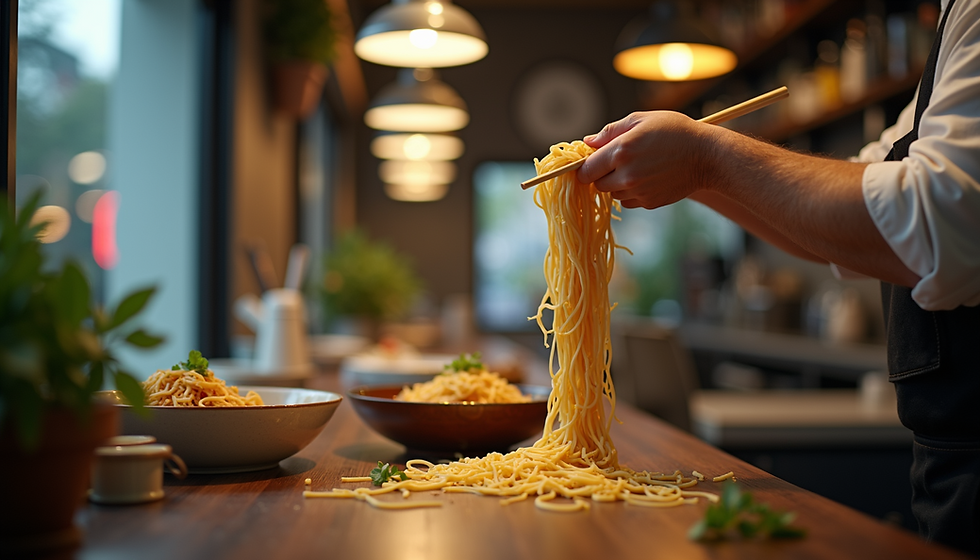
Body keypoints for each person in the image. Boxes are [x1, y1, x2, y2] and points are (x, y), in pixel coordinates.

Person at [577, 0, 980, 555]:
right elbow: (850, 212)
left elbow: (935, 218)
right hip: (946, 452)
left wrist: (706, 158)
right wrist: (693, 173)